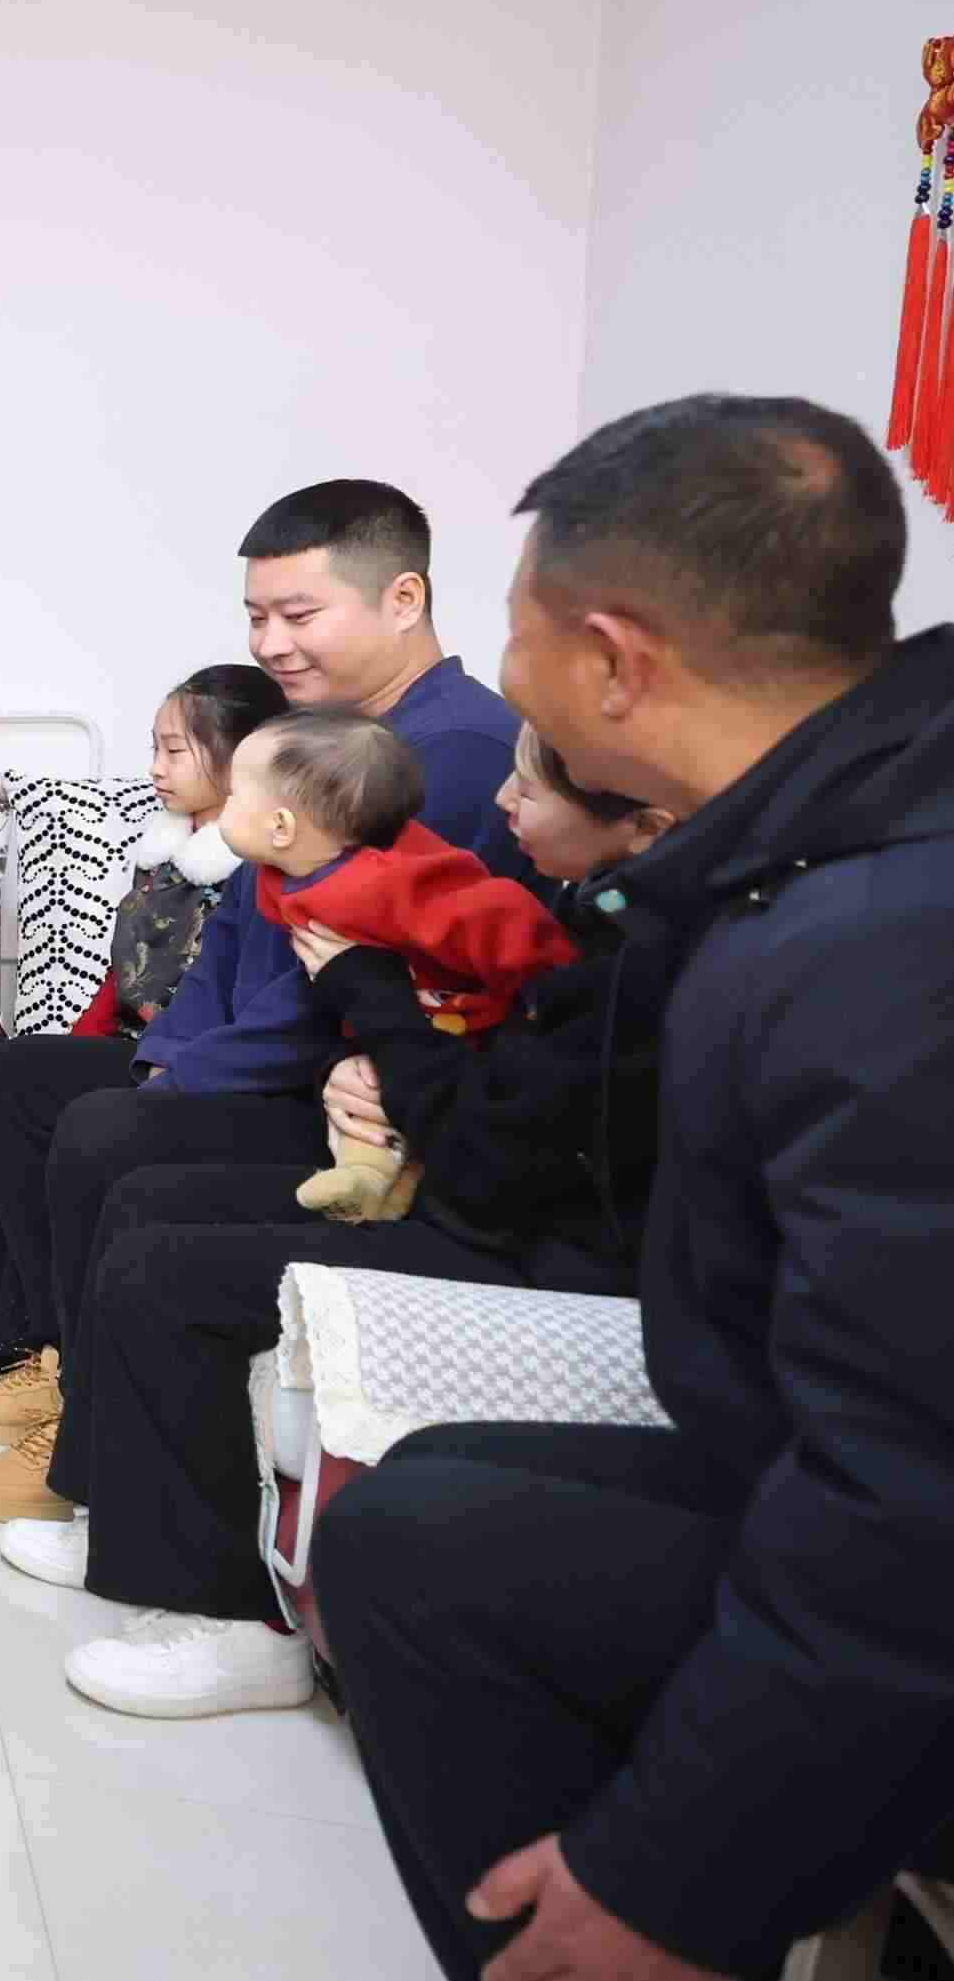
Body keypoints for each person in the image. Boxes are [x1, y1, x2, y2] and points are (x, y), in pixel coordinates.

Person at [315, 396, 954, 1981]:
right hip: (799, 1450)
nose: (503, 670)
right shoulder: (835, 823)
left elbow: (914, 1490)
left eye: (517, 623)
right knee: (429, 1485)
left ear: (610, 659)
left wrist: (669, 1873)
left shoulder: (883, 944)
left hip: (908, 1563)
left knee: (419, 1556)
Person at [0, 722, 673, 1720]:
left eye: (530, 790)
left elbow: (490, 1144)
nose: (499, 805)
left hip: (508, 1235)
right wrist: (368, 1065)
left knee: (163, 1272)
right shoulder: (579, 912)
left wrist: (375, 1013)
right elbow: (474, 1066)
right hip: (457, 1178)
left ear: (640, 826)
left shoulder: (616, 961)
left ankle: (238, 1621)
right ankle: (118, 1514)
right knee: (141, 1198)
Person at [0, 483, 527, 1520]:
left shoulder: (452, 752)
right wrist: (165, 1051)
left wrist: (179, 1079)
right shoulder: (317, 736)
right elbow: (235, 937)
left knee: (104, 1128)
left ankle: (89, 1432)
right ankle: (62, 1357)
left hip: (339, 1090)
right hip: (250, 1050)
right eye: (256, 616)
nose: (269, 643)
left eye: (297, 614)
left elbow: (342, 979)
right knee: (27, 1075)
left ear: (403, 598)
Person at [0, 664, 281, 1392]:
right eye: (154, 748)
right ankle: (17, 1328)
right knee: (20, 1074)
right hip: (137, 1045)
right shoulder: (164, 848)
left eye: (174, 751)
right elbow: (120, 975)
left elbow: (226, 1001)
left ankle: (40, 1334)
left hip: (194, 1060)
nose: (155, 768)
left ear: (240, 755)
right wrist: (75, 1046)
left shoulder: (254, 861)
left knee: (28, 1087)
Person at [227, 709, 575, 1219]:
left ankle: (382, 1190)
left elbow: (498, 915)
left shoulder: (392, 884)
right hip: (379, 1028)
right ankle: (369, 1185)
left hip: (456, 1020)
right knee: (364, 1096)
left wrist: (549, 981)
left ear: (281, 827)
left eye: (233, 795)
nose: (225, 803)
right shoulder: (286, 870)